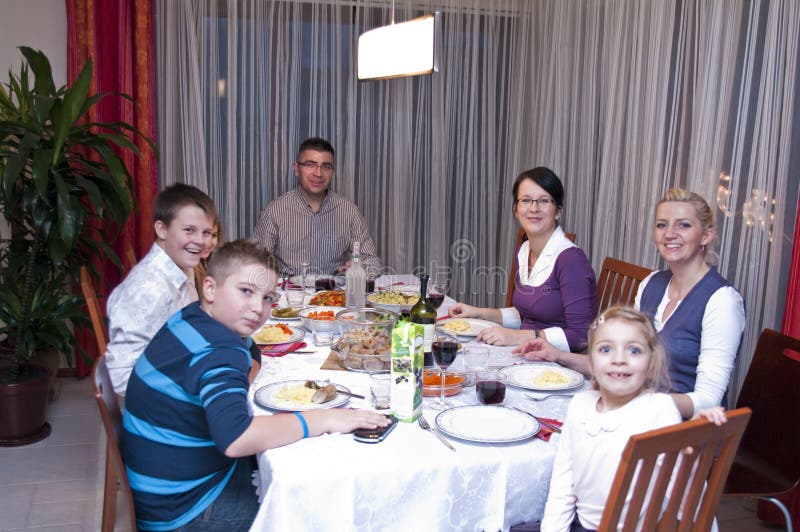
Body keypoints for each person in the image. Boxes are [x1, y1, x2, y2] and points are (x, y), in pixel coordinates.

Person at [123, 240, 390, 531]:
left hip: (163, 486)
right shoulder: (219, 351)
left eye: (267, 298)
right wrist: (325, 418)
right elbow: (236, 438)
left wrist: (239, 373)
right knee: (312, 514)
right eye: (246, 291)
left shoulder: (194, 317)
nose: (257, 309)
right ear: (210, 289)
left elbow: (250, 349)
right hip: (188, 509)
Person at [514, 188, 745, 419]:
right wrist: (558, 355)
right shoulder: (651, 284)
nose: (670, 234)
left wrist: (639, 403)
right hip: (634, 415)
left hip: (682, 436)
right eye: (662, 225)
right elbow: (621, 365)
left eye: (683, 225)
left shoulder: (722, 301)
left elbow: (708, 401)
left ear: (706, 236)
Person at [540, 306, 727, 531]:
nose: (619, 359)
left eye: (634, 351)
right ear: (590, 361)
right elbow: (563, 483)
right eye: (606, 349)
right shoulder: (579, 405)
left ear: (650, 365)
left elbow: (684, 490)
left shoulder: (658, 410)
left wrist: (694, 443)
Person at [448, 167, 597, 351]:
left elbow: (581, 336)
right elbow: (527, 314)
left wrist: (518, 336)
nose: (534, 208)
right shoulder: (524, 249)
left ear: (558, 211)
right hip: (526, 353)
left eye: (543, 201)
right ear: (516, 210)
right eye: (526, 200)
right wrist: (479, 313)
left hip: (557, 366)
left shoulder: (571, 260)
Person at [105, 183, 218, 396]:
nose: (201, 241)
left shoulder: (183, 268)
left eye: (206, 232)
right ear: (162, 229)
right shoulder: (148, 290)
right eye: (189, 230)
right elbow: (120, 379)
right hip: (158, 410)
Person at [252, 137, 382, 278]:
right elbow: (256, 264)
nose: (318, 174)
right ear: (296, 169)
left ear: (332, 171)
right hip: (292, 295)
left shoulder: (348, 211)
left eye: (326, 166)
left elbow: (372, 262)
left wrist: (359, 268)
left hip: (333, 295)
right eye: (310, 164)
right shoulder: (275, 211)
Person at [194, 220, 222, 295]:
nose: (209, 242)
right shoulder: (188, 268)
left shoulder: (216, 263)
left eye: (214, 235)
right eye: (204, 234)